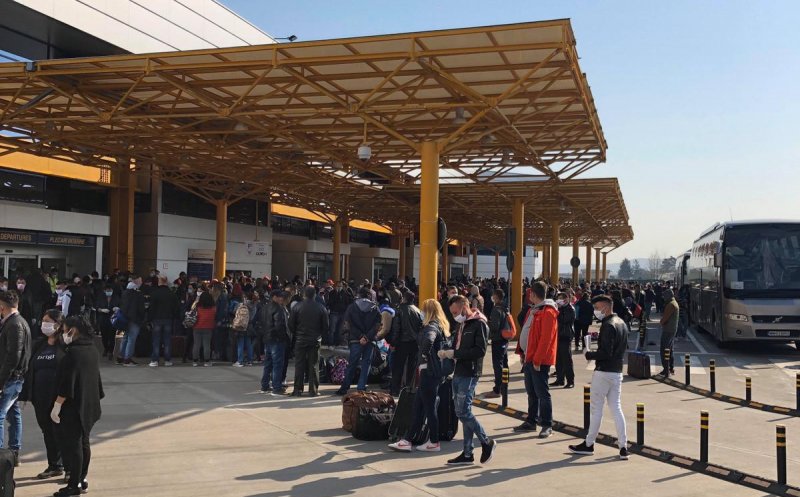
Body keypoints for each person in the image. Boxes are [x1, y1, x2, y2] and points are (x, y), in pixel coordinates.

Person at [569, 294, 629, 460]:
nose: (596, 311)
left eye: (597, 308)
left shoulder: (608, 325)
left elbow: (606, 352)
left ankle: (589, 444)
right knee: (616, 408)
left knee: (596, 409)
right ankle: (623, 446)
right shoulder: (622, 323)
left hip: (603, 372)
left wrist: (590, 354)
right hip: (617, 372)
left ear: (605, 307)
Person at [51, 316, 104, 496]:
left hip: (74, 406)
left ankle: (74, 485)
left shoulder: (73, 353)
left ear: (73, 330)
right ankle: (82, 478)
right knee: (84, 443)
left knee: (74, 446)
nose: (63, 333)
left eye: (65, 329)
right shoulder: (92, 349)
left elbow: (67, 382)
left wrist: (57, 404)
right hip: (89, 403)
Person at [440, 295, 496, 465]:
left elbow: (479, 351)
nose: (455, 315)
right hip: (459, 371)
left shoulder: (479, 324)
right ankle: (467, 452)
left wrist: (454, 354)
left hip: (470, 373)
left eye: (456, 311)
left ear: (465, 306)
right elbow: (457, 345)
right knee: (465, 412)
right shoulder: (462, 324)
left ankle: (486, 441)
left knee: (462, 412)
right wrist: (447, 351)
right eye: (452, 313)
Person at [388, 299, 449, 452]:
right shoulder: (440, 326)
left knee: (427, 408)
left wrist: (424, 357)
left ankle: (432, 442)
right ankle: (408, 439)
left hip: (428, 372)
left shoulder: (431, 327)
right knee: (419, 407)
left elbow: (428, 341)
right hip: (433, 372)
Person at [19, 309, 65, 479]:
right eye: (43, 320)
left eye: (48, 321)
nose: (44, 324)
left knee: (62, 433)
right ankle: (54, 465)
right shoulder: (39, 344)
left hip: (59, 398)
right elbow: (29, 369)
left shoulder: (65, 346)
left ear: (58, 325)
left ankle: (68, 467)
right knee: (48, 432)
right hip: (40, 398)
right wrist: (25, 394)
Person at [514, 281, 557, 438]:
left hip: (539, 361)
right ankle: (531, 420)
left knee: (542, 393)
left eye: (529, 293)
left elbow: (546, 339)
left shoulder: (548, 312)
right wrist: (523, 353)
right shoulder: (534, 310)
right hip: (530, 358)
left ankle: (547, 424)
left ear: (533, 294)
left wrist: (537, 360)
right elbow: (527, 333)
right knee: (531, 392)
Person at [0, 290, 32, 466]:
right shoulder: (12, 323)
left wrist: (1, 381)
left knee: (1, 414)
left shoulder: (15, 325)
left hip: (11, 378)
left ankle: (5, 453)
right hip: (13, 377)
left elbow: (13, 356)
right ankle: (14, 451)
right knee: (13, 413)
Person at [336, 287, 382, 396]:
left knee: (352, 364)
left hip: (355, 340)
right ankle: (361, 388)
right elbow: (377, 326)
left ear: (359, 295)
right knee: (366, 364)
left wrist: (360, 336)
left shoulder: (352, 307)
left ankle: (344, 388)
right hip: (370, 341)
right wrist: (367, 337)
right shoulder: (375, 308)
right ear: (369, 295)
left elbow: (348, 324)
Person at [288, 286, 328, 397]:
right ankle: (313, 390)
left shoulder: (297, 307)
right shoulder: (321, 307)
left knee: (299, 364)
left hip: (300, 339)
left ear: (304, 294)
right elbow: (326, 326)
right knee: (314, 365)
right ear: (315, 294)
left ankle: (297, 390)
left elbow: (291, 324)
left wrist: (297, 333)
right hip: (315, 339)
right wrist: (320, 335)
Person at [388, 291, 422, 396]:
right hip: (414, 343)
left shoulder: (399, 310)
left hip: (402, 342)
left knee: (398, 367)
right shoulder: (418, 311)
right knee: (411, 367)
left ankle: (395, 390)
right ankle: (408, 389)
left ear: (404, 298)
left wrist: (393, 342)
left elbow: (396, 328)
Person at [260, 290, 290, 394]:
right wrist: (283, 338)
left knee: (268, 363)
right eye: (280, 297)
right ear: (274, 297)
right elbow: (280, 326)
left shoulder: (264, 307)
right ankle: (277, 387)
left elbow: (262, 323)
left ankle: (264, 385)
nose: (281, 299)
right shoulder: (278, 308)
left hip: (267, 338)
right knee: (277, 364)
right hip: (277, 340)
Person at [148, 275, 181, 367]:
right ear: (166, 282)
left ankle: (155, 360)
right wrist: (175, 317)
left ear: (160, 282)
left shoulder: (155, 293)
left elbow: (151, 308)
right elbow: (176, 308)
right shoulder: (171, 294)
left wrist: (149, 319)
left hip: (157, 319)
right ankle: (167, 360)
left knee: (156, 340)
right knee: (167, 340)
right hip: (168, 319)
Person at [485, 289, 509, 399]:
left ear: (496, 297)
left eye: (493, 295)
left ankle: (497, 389)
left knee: (497, 365)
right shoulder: (505, 308)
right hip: (505, 338)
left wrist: (487, 323)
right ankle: (504, 387)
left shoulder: (496, 310)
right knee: (504, 364)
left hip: (498, 340)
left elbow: (494, 326)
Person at [118, 276, 145, 366]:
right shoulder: (138, 294)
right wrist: (143, 318)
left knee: (125, 337)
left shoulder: (125, 292)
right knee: (131, 339)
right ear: (136, 282)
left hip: (125, 318)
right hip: (135, 319)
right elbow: (141, 309)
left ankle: (120, 357)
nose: (141, 282)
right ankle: (127, 359)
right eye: (140, 281)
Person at [552, 291, 576, 388]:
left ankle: (570, 381)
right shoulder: (560, 308)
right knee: (558, 359)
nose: (558, 301)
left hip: (565, 336)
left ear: (566, 299)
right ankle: (560, 379)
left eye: (560, 299)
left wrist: (558, 311)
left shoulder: (570, 309)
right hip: (558, 336)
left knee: (567, 359)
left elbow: (564, 320)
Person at [658, 289, 679, 377]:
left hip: (668, 330)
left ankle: (666, 369)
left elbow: (664, 319)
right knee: (670, 349)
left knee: (664, 350)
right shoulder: (674, 303)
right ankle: (670, 368)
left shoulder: (670, 305)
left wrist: (661, 322)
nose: (663, 298)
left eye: (665, 296)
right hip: (672, 329)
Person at [193, 292, 217, 367]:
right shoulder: (213, 308)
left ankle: (195, 361)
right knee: (207, 345)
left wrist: (196, 301)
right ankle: (207, 361)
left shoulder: (197, 307)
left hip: (197, 327)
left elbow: (191, 310)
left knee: (196, 344)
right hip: (208, 327)